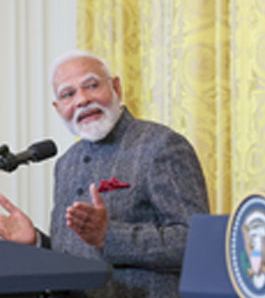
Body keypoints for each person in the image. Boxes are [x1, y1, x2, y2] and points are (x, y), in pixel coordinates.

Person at [0, 51, 210, 297]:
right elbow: (72, 257)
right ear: (58, 108)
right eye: (68, 94)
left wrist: (109, 236)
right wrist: (35, 242)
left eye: (91, 85)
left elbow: (198, 244)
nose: (82, 100)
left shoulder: (161, 145)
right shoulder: (65, 164)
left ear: (116, 88)